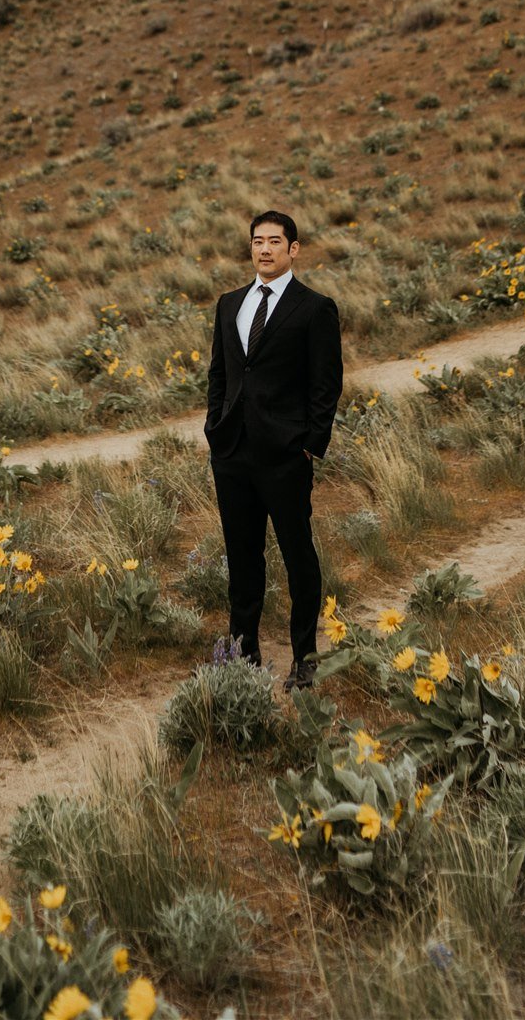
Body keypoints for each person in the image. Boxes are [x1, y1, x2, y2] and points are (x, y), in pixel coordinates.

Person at [203, 208, 343, 691]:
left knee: (297, 554)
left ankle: (304, 657)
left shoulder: (314, 308)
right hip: (233, 455)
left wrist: (310, 447)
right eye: (258, 241)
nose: (265, 249)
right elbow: (220, 374)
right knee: (242, 558)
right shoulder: (229, 304)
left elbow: (326, 384)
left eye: (275, 242)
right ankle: (244, 657)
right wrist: (214, 428)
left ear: (293, 249)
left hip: (286, 456)